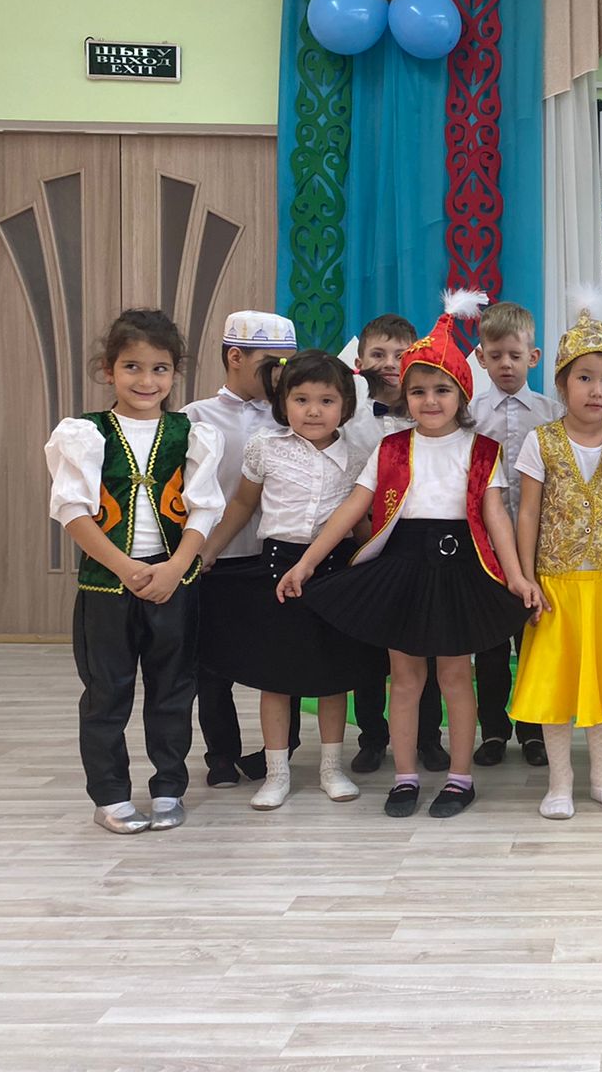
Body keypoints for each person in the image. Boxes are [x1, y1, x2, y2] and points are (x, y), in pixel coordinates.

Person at [277, 291, 541, 820]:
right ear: (406, 396)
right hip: (401, 568)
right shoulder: (391, 448)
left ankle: (460, 778)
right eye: (418, 391)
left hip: (460, 569)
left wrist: (516, 576)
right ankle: (404, 776)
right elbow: (353, 509)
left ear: (462, 394)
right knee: (405, 679)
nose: (430, 400)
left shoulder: (482, 450)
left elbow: (496, 517)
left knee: (453, 677)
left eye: (442, 390)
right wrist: (306, 562)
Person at [44, 309, 224, 834]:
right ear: (108, 369)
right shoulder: (84, 433)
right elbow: (72, 511)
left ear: (175, 372)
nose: (147, 381)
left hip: (174, 581)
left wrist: (176, 568)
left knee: (174, 688)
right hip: (107, 584)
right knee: (107, 690)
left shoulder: (191, 434)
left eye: (160, 369)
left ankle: (168, 787)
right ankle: (110, 795)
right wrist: (124, 568)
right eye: (132, 367)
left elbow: (204, 509)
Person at [198, 350, 386, 811]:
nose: (313, 411)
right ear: (283, 403)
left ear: (346, 405)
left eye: (326, 401)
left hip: (335, 572)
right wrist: (208, 549)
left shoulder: (358, 457)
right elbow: (242, 505)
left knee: (333, 675)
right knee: (276, 676)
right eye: (301, 399)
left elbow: (361, 523)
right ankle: (277, 772)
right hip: (277, 567)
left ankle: (331, 768)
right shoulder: (265, 447)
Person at [510, 307, 602, 819]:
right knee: (557, 685)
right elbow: (528, 512)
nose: (597, 390)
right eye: (585, 378)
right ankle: (560, 782)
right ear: (562, 384)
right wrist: (526, 578)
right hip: (556, 584)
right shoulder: (541, 441)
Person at [184, 310, 299, 789]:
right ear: (236, 357)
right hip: (219, 558)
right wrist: (199, 552)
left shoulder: (293, 415)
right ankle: (221, 755)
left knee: (284, 661)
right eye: (272, 364)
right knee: (212, 666)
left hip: (278, 557)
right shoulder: (195, 417)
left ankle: (283, 749)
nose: (281, 376)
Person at [340, 314, 448, 778]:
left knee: (425, 647)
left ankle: (428, 737)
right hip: (365, 545)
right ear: (359, 360)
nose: (388, 363)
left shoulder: (430, 415)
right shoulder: (349, 417)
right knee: (367, 651)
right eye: (378, 354)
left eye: (399, 355)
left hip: (418, 549)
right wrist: (363, 537)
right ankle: (371, 737)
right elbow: (348, 486)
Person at [469, 301, 564, 769]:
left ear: (534, 356)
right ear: (480, 357)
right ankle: (492, 731)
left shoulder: (552, 414)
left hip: (536, 549)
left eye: (515, 355)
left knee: (532, 646)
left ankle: (533, 732)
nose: (505, 364)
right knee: (488, 647)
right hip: (483, 552)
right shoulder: (467, 414)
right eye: (495, 355)